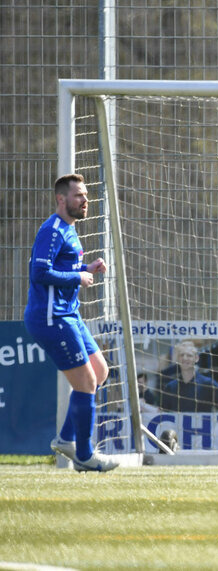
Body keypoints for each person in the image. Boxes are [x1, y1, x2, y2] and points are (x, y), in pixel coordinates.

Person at [23, 173, 118, 471]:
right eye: (78, 195)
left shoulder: (70, 230)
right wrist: (77, 276)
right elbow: (39, 273)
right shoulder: (51, 230)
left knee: (100, 372)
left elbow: (64, 266)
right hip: (51, 318)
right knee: (87, 382)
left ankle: (66, 440)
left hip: (69, 314)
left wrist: (85, 268)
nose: (85, 200)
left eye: (86, 195)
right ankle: (86, 456)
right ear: (61, 199)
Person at [158, 341, 218, 413]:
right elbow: (160, 412)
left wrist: (216, 428)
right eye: (182, 355)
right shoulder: (170, 387)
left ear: (196, 358)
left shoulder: (207, 384)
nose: (185, 358)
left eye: (189, 355)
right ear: (178, 359)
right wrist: (144, 406)